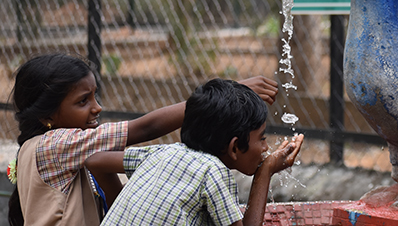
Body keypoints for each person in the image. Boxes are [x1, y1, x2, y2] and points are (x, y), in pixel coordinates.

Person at [6, 53, 279, 226]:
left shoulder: (71, 154)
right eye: (82, 101)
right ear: (47, 116)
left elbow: (99, 165)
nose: (97, 107)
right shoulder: (55, 145)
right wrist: (219, 100)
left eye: (94, 96)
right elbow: (144, 129)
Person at [85, 78, 304, 226]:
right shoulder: (214, 172)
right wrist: (265, 172)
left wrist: (130, 209)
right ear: (234, 148)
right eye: (263, 139)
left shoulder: (164, 152)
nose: (266, 148)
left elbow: (95, 161)